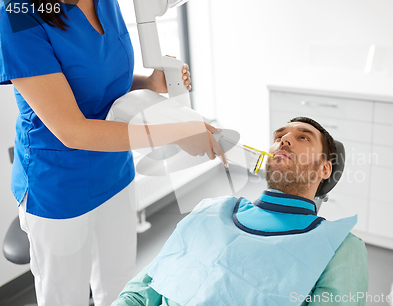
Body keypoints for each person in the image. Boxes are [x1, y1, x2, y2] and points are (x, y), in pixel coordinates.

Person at [0, 1, 227, 305]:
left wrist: (148, 83)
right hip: (57, 185)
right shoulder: (17, 14)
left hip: (115, 168)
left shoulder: (105, 2)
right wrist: (180, 131)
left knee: (120, 285)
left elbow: (93, 81)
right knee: (65, 297)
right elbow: (72, 130)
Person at [111, 117, 369, 306]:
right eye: (279, 136)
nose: (283, 140)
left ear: (325, 169)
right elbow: (142, 291)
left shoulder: (340, 248)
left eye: (303, 137)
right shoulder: (211, 209)